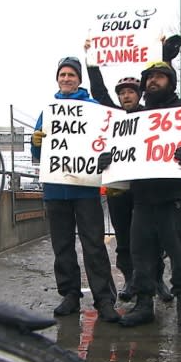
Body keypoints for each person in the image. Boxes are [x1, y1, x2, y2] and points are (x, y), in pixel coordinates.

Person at [100, 60, 181, 333]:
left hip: (177, 197)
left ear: (171, 82)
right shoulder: (136, 117)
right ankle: (143, 304)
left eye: (159, 77)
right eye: (149, 77)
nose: (152, 81)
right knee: (142, 253)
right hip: (143, 197)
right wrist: (108, 159)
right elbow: (119, 149)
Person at [84, 38, 178, 303]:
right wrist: (92, 59)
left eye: (131, 92)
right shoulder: (112, 116)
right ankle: (131, 281)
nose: (126, 95)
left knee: (153, 239)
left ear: (140, 95)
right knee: (124, 240)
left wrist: (163, 54)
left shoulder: (150, 115)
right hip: (117, 189)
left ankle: (158, 280)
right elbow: (99, 92)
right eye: (122, 92)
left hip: (144, 189)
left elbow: (167, 94)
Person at [30, 56, 120, 323]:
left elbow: (108, 142)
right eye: (63, 75)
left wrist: (105, 157)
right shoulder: (48, 110)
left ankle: (104, 299)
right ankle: (69, 295)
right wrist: (36, 143)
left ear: (79, 79)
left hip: (85, 189)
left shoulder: (94, 108)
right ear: (57, 79)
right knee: (62, 245)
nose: (66, 78)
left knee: (94, 245)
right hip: (56, 190)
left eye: (71, 74)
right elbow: (38, 153)